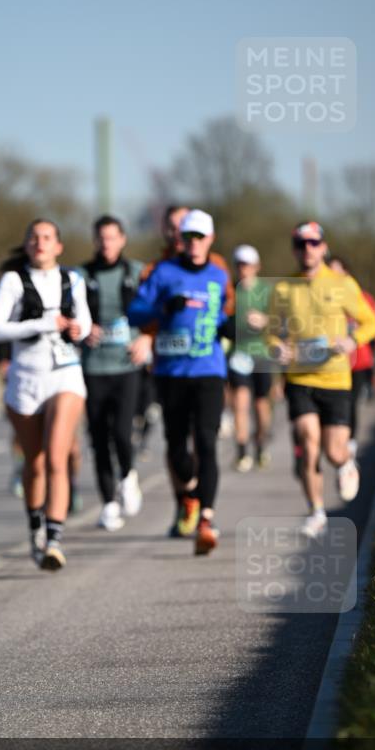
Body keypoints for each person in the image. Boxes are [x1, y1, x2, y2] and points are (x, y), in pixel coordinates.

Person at [0, 219, 92, 569]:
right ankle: (35, 527)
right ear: (27, 245)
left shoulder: (72, 279)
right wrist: (44, 324)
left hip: (65, 375)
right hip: (26, 379)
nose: (40, 242)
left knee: (56, 457)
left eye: (47, 237)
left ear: (58, 246)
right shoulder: (14, 281)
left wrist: (79, 328)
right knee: (35, 462)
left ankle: (55, 539)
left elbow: (87, 322)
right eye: (34, 237)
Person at [268, 222, 375, 538]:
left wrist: (352, 340)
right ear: (294, 249)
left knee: (332, 451)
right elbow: (270, 332)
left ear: (323, 247)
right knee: (308, 441)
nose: (307, 249)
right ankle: (316, 511)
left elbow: (370, 322)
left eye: (313, 243)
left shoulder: (343, 284)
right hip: (299, 377)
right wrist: (276, 347)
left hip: (335, 379)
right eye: (301, 244)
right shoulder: (283, 288)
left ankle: (345, 463)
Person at [128, 209, 230, 555]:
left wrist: (232, 326)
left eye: (201, 237)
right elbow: (136, 312)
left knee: (207, 442)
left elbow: (226, 315)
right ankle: (188, 495)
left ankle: (207, 519)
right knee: (176, 449)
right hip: (171, 372)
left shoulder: (218, 275)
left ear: (210, 239)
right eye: (189, 237)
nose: (195, 243)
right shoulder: (163, 273)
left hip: (209, 370)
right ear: (180, 240)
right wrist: (162, 309)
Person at [78, 215, 147, 531]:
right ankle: (108, 503)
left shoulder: (137, 272)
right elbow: (67, 314)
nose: (106, 244)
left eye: (112, 238)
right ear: (95, 241)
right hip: (93, 366)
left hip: (126, 365)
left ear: (122, 240)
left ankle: (128, 475)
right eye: (101, 238)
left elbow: (155, 313)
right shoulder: (82, 275)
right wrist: (82, 328)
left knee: (121, 431)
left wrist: (146, 338)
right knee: (98, 437)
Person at [327, 256, 375, 455]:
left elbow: (373, 324)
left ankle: (351, 443)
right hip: (330, 363)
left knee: (351, 401)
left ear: (347, 274)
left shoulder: (361, 297)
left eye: (337, 272)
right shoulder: (321, 295)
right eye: (329, 272)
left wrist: (353, 338)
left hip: (358, 360)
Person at [229, 245, 272, 472]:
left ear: (257, 267)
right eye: (239, 264)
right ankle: (242, 450)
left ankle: (261, 444)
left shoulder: (266, 291)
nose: (243, 269)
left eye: (247, 264)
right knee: (240, 404)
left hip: (262, 355)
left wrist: (264, 320)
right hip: (239, 355)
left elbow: (281, 321)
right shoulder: (231, 292)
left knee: (261, 405)